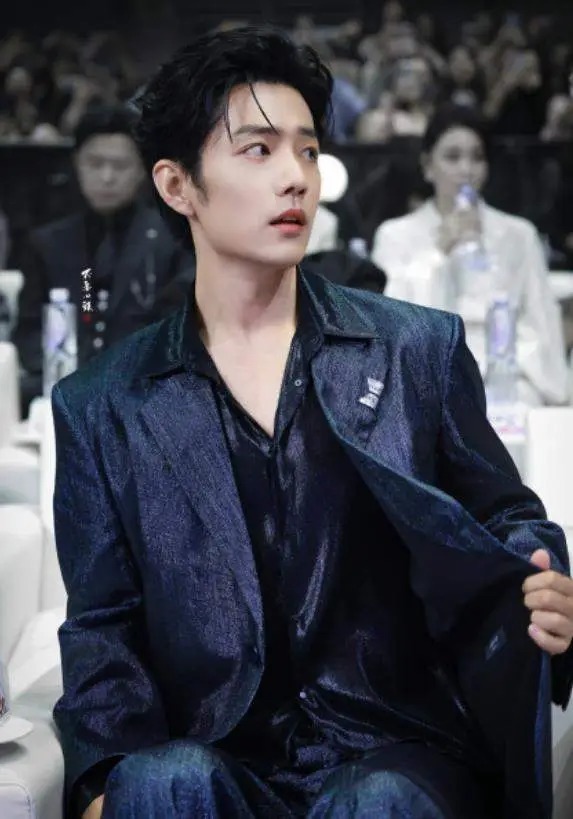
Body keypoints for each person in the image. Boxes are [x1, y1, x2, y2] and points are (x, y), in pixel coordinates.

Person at [51, 27, 573, 819]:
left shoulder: (413, 348)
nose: (295, 176)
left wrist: (543, 573)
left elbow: (504, 515)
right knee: (160, 784)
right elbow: (101, 625)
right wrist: (102, 781)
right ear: (178, 185)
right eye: (258, 151)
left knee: (381, 799)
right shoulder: (102, 402)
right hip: (215, 748)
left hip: (392, 740)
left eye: (306, 150)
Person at [371, 103, 568, 406]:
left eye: (477, 157)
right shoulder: (395, 235)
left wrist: (503, 367)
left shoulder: (519, 234)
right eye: (452, 157)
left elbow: (540, 322)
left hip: (507, 378)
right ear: (428, 165)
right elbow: (390, 323)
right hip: (427, 379)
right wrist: (439, 251)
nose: (467, 170)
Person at [11, 103, 195, 415]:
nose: (107, 177)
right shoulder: (48, 243)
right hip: (65, 393)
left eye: (120, 165)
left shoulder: (172, 240)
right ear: (76, 163)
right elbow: (28, 333)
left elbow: (180, 332)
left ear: (142, 170)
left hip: (145, 396)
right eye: (95, 163)